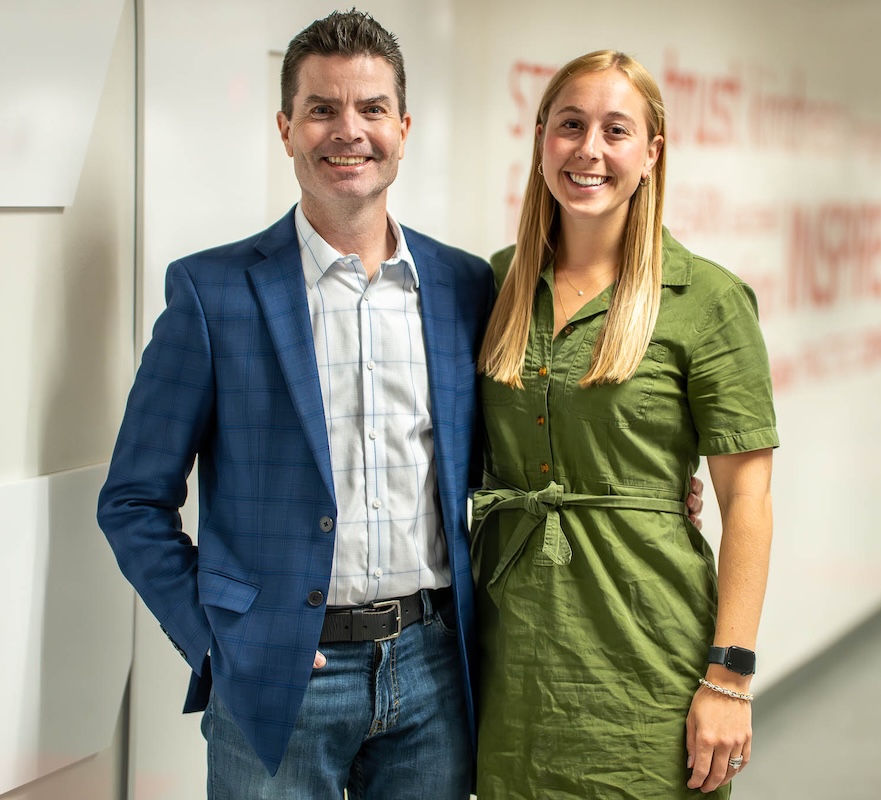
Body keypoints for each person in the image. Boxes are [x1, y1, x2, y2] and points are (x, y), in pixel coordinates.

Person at [96, 10, 493, 798]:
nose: (349, 131)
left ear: (404, 129)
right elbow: (133, 501)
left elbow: (498, 457)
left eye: (372, 108)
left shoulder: (465, 286)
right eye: (322, 109)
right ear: (286, 129)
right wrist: (218, 641)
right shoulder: (213, 294)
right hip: (282, 675)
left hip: (434, 672)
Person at [472, 50, 777, 799]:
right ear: (541, 137)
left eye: (616, 130)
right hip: (514, 652)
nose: (589, 150)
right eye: (571, 125)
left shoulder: (707, 301)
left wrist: (731, 678)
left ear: (651, 153)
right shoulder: (494, 284)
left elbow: (748, 502)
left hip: (648, 650)